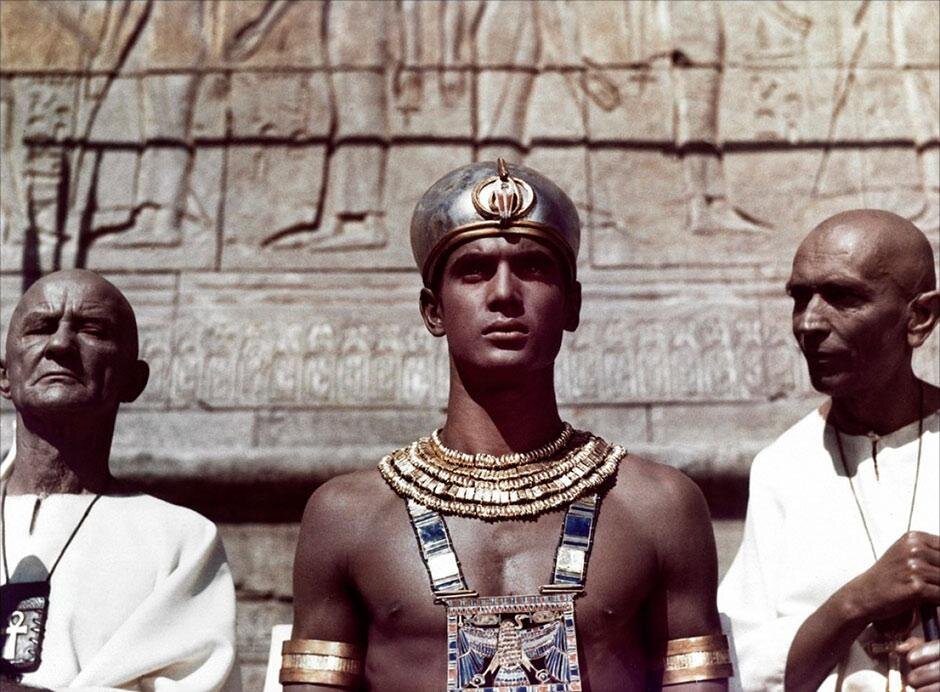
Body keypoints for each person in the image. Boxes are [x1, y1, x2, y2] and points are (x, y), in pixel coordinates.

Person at [284, 159, 732, 690]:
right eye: (474, 271)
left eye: (534, 268)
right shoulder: (347, 517)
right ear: (433, 311)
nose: (503, 294)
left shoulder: (659, 507)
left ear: (572, 305)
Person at [718, 209, 940, 691]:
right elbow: (745, 666)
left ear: (919, 317)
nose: (809, 322)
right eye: (800, 298)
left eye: (843, 297)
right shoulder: (781, 468)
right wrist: (855, 602)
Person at [0, 269, 240, 691]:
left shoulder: (180, 540)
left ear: (133, 380)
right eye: (41, 328)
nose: (60, 345)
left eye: (92, 330)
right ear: (4, 375)